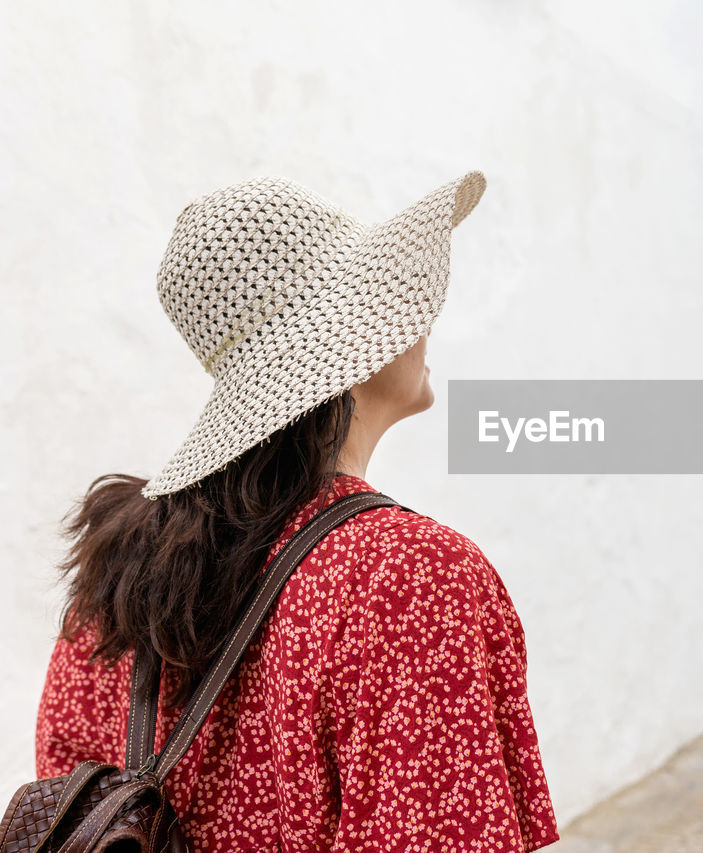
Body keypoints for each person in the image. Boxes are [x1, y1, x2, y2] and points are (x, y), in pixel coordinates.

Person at [32, 171, 559, 851]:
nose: (424, 318)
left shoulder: (112, 586)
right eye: (392, 294)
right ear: (359, 337)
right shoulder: (405, 577)